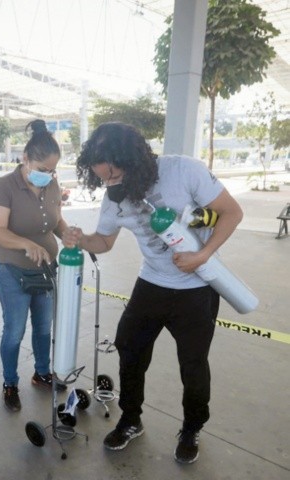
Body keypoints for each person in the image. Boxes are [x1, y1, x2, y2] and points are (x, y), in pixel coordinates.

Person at [71, 122, 243, 464]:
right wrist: (80, 239)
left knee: (193, 364)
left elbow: (232, 212)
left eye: (114, 174)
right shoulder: (113, 197)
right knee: (128, 348)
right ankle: (130, 419)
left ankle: (192, 428)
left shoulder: (183, 170)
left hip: (197, 288)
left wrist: (202, 256)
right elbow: (103, 241)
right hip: (151, 283)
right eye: (103, 179)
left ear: (133, 159)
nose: (110, 184)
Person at [0, 119, 78, 412]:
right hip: (12, 269)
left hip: (45, 270)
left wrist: (67, 233)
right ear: (25, 158)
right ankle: (10, 383)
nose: (48, 175)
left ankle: (41, 373)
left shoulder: (52, 184)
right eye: (43, 169)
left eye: (53, 170)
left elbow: (56, 220)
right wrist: (26, 244)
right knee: (14, 330)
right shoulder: (4, 186)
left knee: (43, 327)